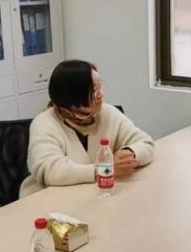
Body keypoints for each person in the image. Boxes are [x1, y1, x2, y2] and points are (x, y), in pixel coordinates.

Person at [19, 60, 154, 197]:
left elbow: (146, 143)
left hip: (94, 196)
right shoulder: (44, 123)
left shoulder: (108, 113)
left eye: (100, 86)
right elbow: (51, 171)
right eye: (94, 90)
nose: (100, 94)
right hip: (47, 200)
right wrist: (104, 170)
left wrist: (130, 153)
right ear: (73, 94)